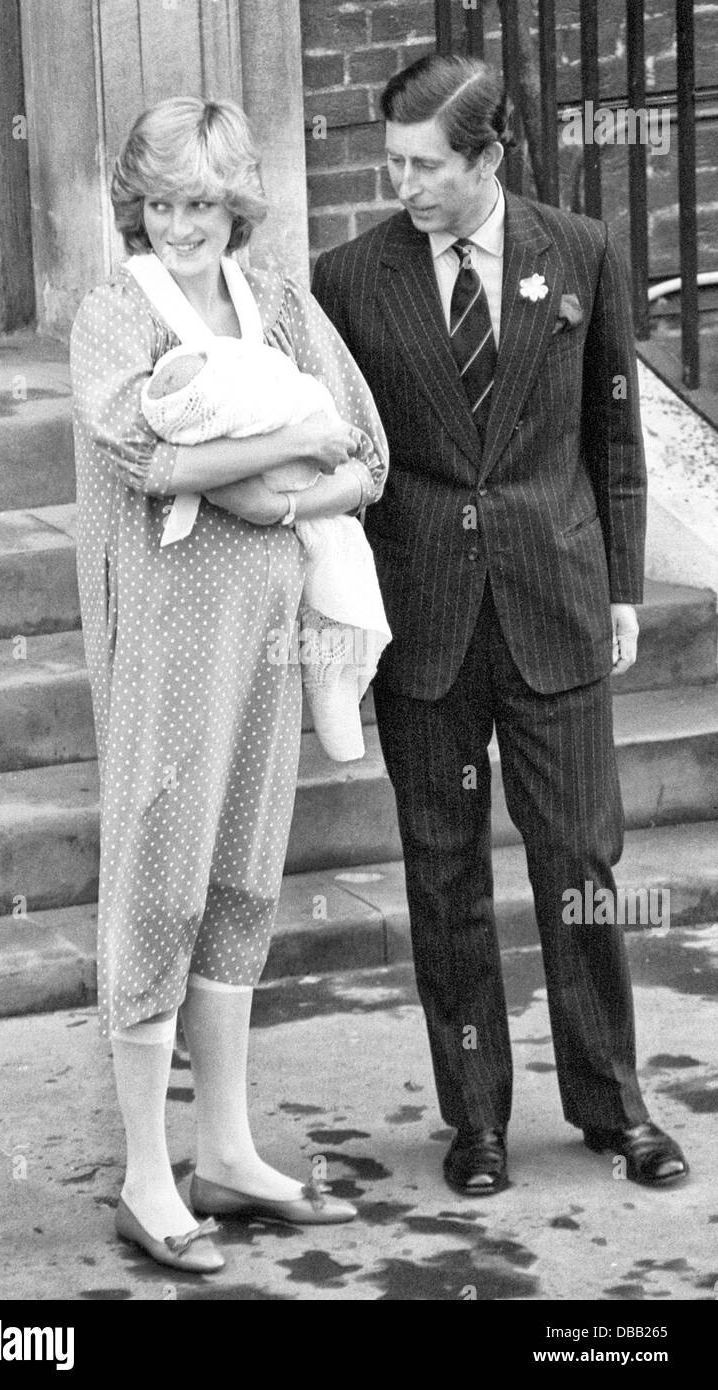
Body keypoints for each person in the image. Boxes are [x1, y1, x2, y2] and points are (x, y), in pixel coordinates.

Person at [311, 53, 689, 1197]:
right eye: (393, 165)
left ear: (489, 156)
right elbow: (340, 451)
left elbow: (614, 434)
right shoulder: (348, 279)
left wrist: (621, 583)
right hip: (424, 619)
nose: (406, 186)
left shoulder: (577, 250)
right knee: (443, 874)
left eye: (427, 166)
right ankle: (474, 1120)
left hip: (555, 601)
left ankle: (614, 1106)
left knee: (579, 858)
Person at [70, 95, 388, 1273]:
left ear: (236, 204)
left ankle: (229, 1151)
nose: (182, 224)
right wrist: (276, 457)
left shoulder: (283, 306)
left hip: (269, 634)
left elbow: (370, 453)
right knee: (159, 871)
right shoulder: (115, 315)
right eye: (160, 203)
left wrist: (279, 495)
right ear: (135, 208)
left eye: (202, 202)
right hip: (163, 633)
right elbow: (147, 458)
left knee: (245, 872)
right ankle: (148, 1176)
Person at [138, 334, 391, 761]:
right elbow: (153, 465)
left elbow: (367, 460)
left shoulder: (281, 306)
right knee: (191, 760)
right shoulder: (124, 316)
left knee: (336, 608)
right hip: (192, 597)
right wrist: (300, 444)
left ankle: (339, 715)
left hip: (289, 576)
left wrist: (280, 505)